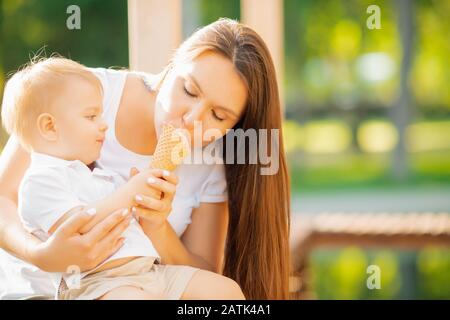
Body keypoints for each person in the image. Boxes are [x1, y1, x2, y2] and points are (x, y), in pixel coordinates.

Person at [0, 18, 290, 300]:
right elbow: (3, 195)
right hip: (39, 288)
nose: (191, 119)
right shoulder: (86, 94)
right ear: (173, 63)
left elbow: (202, 272)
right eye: (189, 90)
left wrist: (157, 228)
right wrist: (41, 254)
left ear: (233, 128)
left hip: (143, 283)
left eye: (218, 116)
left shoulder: (210, 162)